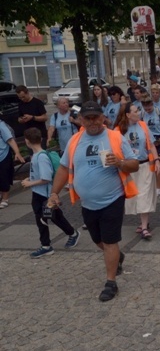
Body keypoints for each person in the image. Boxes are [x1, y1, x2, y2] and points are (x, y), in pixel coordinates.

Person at [47, 101, 139, 302]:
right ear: (81, 120)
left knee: (109, 241)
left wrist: (121, 162)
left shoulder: (115, 138)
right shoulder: (74, 141)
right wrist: (54, 193)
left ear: (103, 117)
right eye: (88, 118)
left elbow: (134, 165)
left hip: (113, 199)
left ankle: (110, 282)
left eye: (96, 117)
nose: (92, 122)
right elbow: (63, 169)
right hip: (87, 203)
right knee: (98, 240)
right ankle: (117, 257)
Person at [21, 127, 80, 257]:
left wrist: (30, 183)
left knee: (51, 217)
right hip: (39, 194)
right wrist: (30, 178)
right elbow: (40, 175)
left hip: (45, 195)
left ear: (27, 141)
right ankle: (47, 244)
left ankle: (66, 236)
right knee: (45, 218)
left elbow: (46, 178)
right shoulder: (37, 156)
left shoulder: (40, 157)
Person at [115, 102, 160, 239]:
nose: (138, 113)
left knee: (145, 195)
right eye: (135, 111)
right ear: (128, 115)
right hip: (129, 168)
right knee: (133, 196)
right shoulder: (118, 130)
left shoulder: (143, 125)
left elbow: (151, 145)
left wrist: (157, 160)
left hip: (145, 165)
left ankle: (144, 227)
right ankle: (142, 223)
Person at [141, 94, 160, 200]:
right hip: (149, 142)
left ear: (152, 104)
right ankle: (157, 187)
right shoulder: (142, 113)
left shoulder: (159, 112)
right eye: (145, 106)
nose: (147, 108)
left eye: (149, 105)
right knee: (153, 166)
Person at [0, 119, 26, 209]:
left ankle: (5, 199)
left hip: (3, 154)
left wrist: (17, 153)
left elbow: (10, 140)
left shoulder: (1, 125)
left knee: (4, 177)